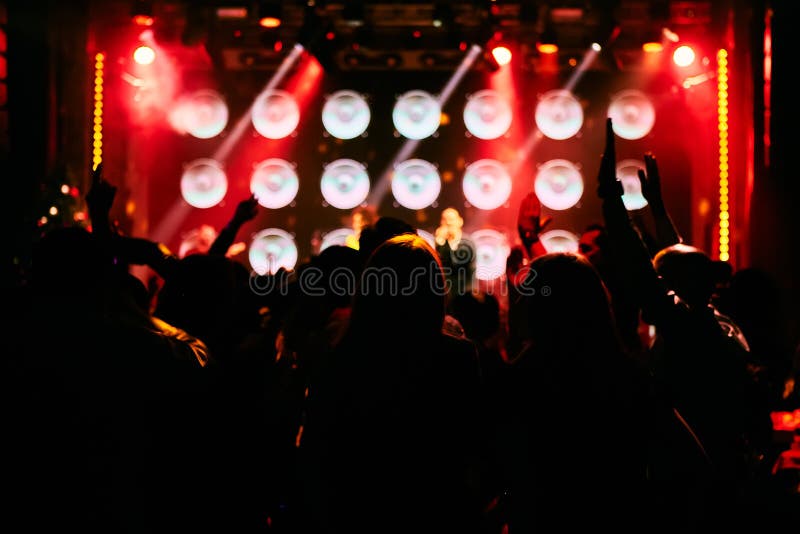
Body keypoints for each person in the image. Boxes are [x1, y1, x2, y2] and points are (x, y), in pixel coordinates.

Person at [434, 207, 476, 298]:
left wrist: (445, 243)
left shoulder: (467, 242)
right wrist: (440, 243)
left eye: (451, 219)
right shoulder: (440, 243)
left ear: (460, 221)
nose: (448, 223)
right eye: (445, 220)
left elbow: (457, 263)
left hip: (465, 293)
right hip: (446, 293)